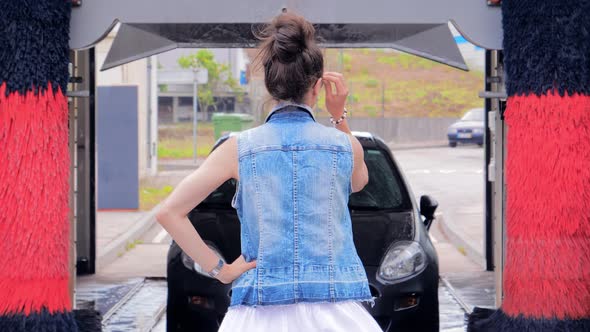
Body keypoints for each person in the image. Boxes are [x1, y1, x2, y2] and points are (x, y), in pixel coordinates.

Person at [156, 12, 382, 332]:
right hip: (336, 311)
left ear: (268, 84)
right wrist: (339, 116)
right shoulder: (344, 147)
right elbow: (359, 182)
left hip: (258, 313)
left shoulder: (239, 148)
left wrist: (221, 270)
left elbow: (169, 213)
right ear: (318, 86)